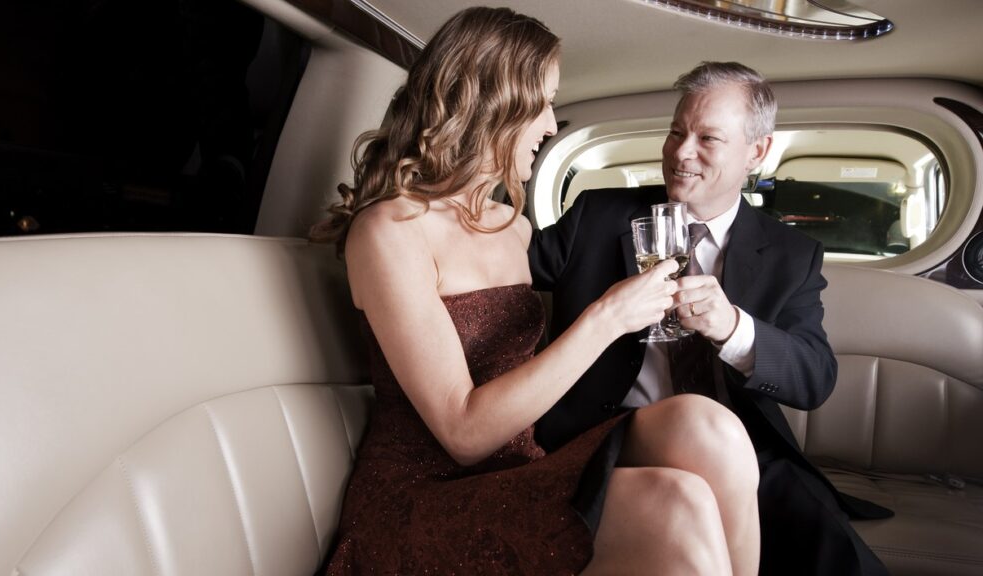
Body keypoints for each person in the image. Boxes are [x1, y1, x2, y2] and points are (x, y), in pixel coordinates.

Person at [312, 9, 761, 575]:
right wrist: (607, 317)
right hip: (426, 494)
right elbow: (465, 434)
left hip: (523, 466)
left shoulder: (512, 225)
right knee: (679, 503)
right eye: (544, 103)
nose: (551, 125)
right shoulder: (388, 231)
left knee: (710, 427)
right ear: (490, 106)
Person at [529, 61, 892, 576]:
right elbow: (498, 276)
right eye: (677, 131)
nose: (680, 153)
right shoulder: (595, 215)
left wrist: (732, 328)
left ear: (757, 152)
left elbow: (815, 379)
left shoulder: (792, 255)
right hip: (600, 439)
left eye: (708, 138)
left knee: (840, 558)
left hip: (738, 449)